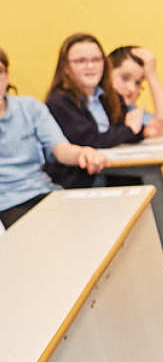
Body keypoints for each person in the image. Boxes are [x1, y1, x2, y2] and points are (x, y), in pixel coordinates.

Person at [0, 45, 108, 228]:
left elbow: (61, 149)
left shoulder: (30, 107)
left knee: (97, 224)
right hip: (8, 203)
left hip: (45, 192)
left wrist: (83, 153)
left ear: (7, 75)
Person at [44, 32, 141, 187]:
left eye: (96, 59)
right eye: (81, 61)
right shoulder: (59, 102)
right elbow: (91, 140)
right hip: (81, 181)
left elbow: (128, 132)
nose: (90, 66)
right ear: (66, 68)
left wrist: (136, 130)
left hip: (113, 172)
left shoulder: (108, 95)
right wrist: (129, 129)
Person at [108, 45, 163, 138]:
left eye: (138, 83)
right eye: (125, 78)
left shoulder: (131, 111)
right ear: (106, 76)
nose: (132, 89)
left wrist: (151, 75)